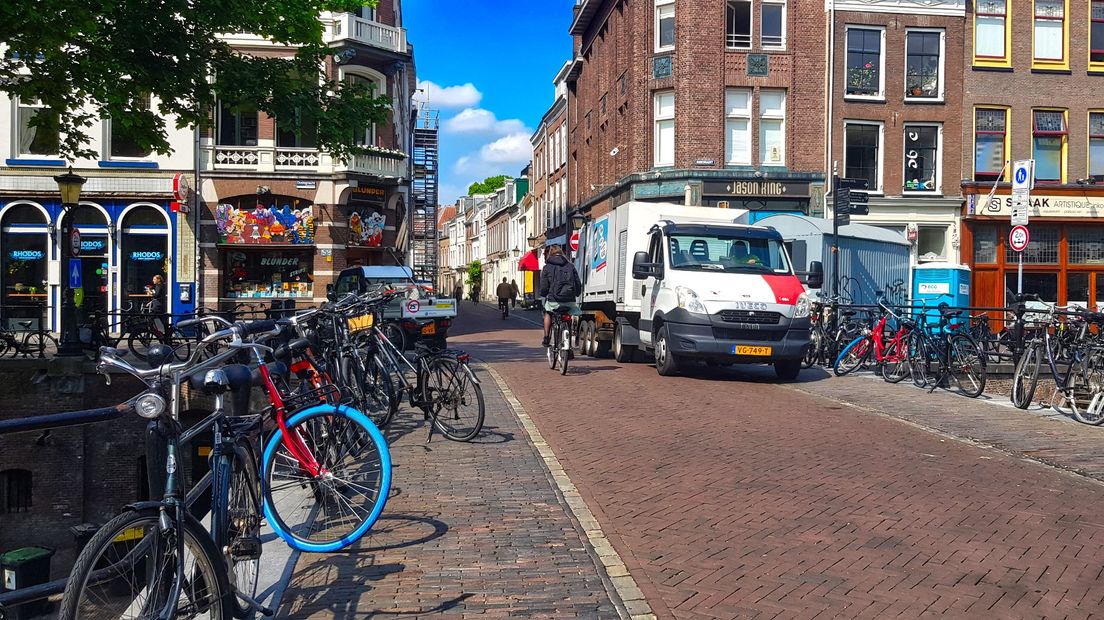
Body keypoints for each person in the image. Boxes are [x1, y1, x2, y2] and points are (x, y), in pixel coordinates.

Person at [539, 245, 582, 347]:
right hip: (569, 300)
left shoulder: (547, 267)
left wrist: (544, 294)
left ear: (550, 254)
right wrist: (576, 294)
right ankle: (569, 347)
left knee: (548, 312)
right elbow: (577, 283)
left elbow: (544, 287)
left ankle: (546, 338)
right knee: (568, 316)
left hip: (554, 300)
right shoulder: (570, 266)